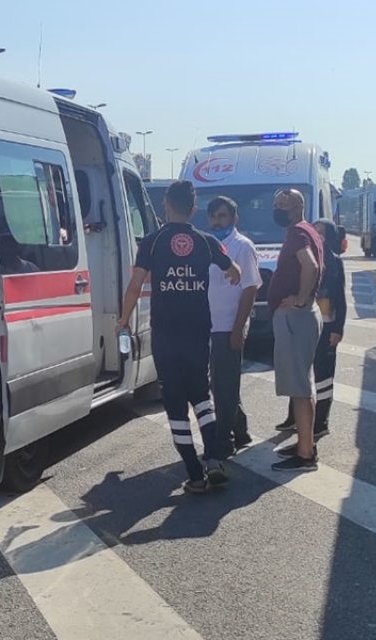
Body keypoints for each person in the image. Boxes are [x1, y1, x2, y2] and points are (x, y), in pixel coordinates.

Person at [118, 180, 241, 493]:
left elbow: (135, 286)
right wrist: (229, 277)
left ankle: (194, 475)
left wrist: (123, 320)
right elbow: (234, 270)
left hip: (166, 334)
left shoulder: (152, 242)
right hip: (199, 331)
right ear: (194, 209)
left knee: (174, 402)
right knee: (202, 395)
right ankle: (213, 459)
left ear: (166, 206)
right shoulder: (206, 241)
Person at [275, 218, 347, 455]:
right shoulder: (313, 255)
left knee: (319, 378)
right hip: (309, 320)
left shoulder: (333, 261)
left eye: (322, 233)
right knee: (301, 377)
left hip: (322, 324)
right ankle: (296, 425)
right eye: (316, 232)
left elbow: (340, 298)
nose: (317, 236)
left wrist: (338, 328)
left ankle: (319, 425)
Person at [265, 189, 324, 472]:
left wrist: (299, 299)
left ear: (297, 207)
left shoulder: (297, 234)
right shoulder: (308, 230)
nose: (277, 209)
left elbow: (310, 267)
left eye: (282, 205)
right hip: (304, 317)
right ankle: (305, 443)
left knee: (299, 388)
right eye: (276, 204)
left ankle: (305, 454)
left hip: (295, 318)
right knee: (304, 383)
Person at [204, 196, 262, 451]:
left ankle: (224, 441)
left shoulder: (242, 246)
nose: (218, 221)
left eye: (223, 216)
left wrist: (238, 329)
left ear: (234, 218)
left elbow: (250, 290)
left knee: (224, 385)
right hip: (209, 325)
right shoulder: (209, 244)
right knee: (221, 383)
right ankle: (240, 431)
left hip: (229, 326)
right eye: (214, 216)